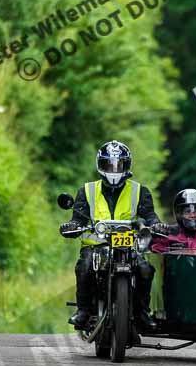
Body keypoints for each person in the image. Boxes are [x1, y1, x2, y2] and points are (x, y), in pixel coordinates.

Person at [60, 140, 162, 330]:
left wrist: (156, 225)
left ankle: (141, 313)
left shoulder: (140, 191)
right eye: (109, 165)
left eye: (119, 165)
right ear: (100, 165)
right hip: (96, 245)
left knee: (145, 268)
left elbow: (149, 215)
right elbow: (78, 218)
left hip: (129, 246)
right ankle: (83, 311)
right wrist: (72, 226)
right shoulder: (87, 190)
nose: (114, 170)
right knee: (84, 266)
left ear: (127, 165)